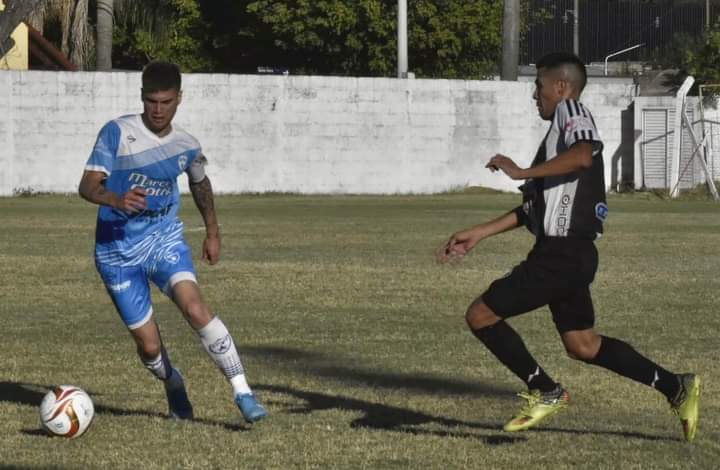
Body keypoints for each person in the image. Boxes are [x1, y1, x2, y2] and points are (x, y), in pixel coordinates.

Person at [437, 52, 700, 440]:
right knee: (583, 344)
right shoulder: (554, 140)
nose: (534, 95)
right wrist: (479, 232)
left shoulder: (571, 111)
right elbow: (532, 210)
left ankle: (546, 390)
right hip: (570, 255)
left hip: (561, 255)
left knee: (481, 315)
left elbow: (583, 154)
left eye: (538, 86)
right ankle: (676, 386)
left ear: (560, 87)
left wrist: (521, 171)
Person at [79, 61, 267, 424]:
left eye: (166, 101)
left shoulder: (186, 145)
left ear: (179, 98)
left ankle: (243, 392)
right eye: (151, 101)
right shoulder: (116, 132)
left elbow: (200, 182)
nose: (158, 109)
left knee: (196, 309)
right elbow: (86, 185)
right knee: (149, 347)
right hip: (116, 252)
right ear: (142, 98)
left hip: (163, 241)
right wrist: (115, 199)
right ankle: (172, 381)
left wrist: (213, 231)